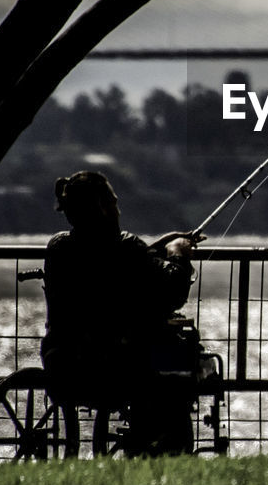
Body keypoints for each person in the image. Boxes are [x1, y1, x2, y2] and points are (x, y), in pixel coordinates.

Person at [40, 170, 204, 455]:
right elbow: (173, 291)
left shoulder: (58, 247)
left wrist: (160, 244)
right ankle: (163, 441)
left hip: (64, 364)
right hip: (114, 371)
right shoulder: (126, 248)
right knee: (176, 354)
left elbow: (106, 259)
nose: (118, 208)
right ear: (103, 207)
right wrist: (178, 253)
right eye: (114, 202)